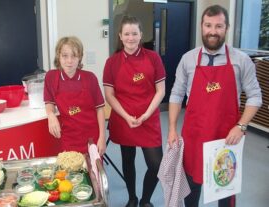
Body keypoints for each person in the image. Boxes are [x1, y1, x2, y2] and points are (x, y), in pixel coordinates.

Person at [168, 5, 262, 207]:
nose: (213, 31)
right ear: (201, 26)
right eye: (208, 25)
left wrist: (241, 126)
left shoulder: (241, 60)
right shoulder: (188, 59)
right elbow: (176, 94)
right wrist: (172, 129)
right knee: (191, 186)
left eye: (218, 26)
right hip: (194, 135)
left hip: (226, 138)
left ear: (226, 28)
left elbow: (255, 96)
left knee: (224, 190)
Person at [103, 15, 166, 207]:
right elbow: (109, 95)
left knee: (156, 165)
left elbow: (161, 90)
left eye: (135, 34)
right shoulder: (112, 62)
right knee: (127, 161)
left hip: (149, 118)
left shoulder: (153, 58)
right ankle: (132, 197)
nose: (131, 38)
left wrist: (146, 114)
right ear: (120, 36)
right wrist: (126, 116)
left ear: (141, 35)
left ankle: (146, 200)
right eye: (127, 34)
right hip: (124, 119)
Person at [44, 36, 106, 156]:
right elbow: (49, 101)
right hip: (69, 137)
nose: (69, 61)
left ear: (80, 57)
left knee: (94, 173)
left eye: (74, 56)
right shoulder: (51, 77)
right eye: (65, 56)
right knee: (73, 172)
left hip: (92, 137)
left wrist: (102, 138)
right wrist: (50, 115)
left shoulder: (90, 78)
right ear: (58, 56)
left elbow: (99, 109)